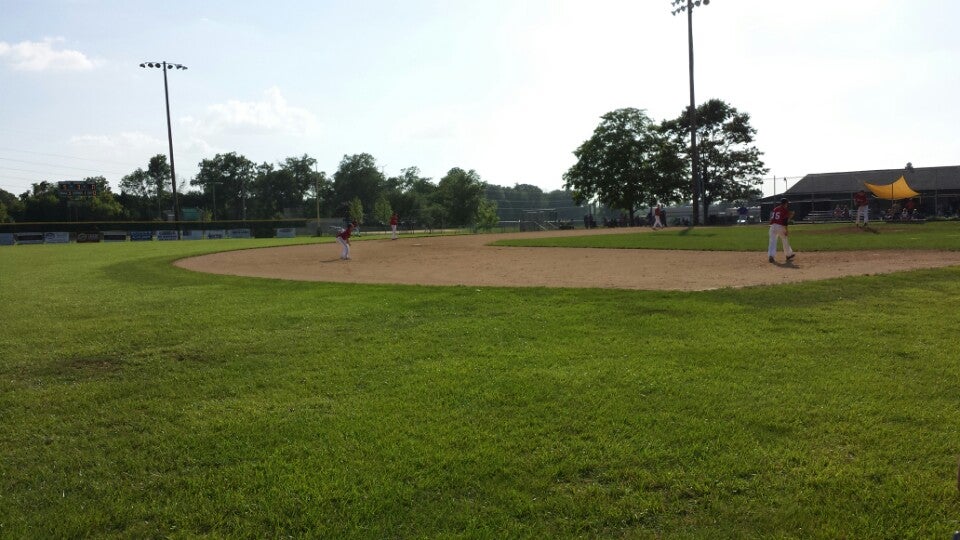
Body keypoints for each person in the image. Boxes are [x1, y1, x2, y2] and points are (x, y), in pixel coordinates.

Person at [768, 198, 795, 263]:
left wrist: (789, 216)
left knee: (772, 241)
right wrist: (786, 230)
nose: (787, 205)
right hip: (780, 226)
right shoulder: (784, 210)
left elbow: (773, 219)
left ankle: (771, 256)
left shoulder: (775, 209)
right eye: (787, 203)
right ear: (785, 203)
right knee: (785, 240)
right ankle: (788, 255)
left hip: (772, 226)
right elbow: (785, 221)